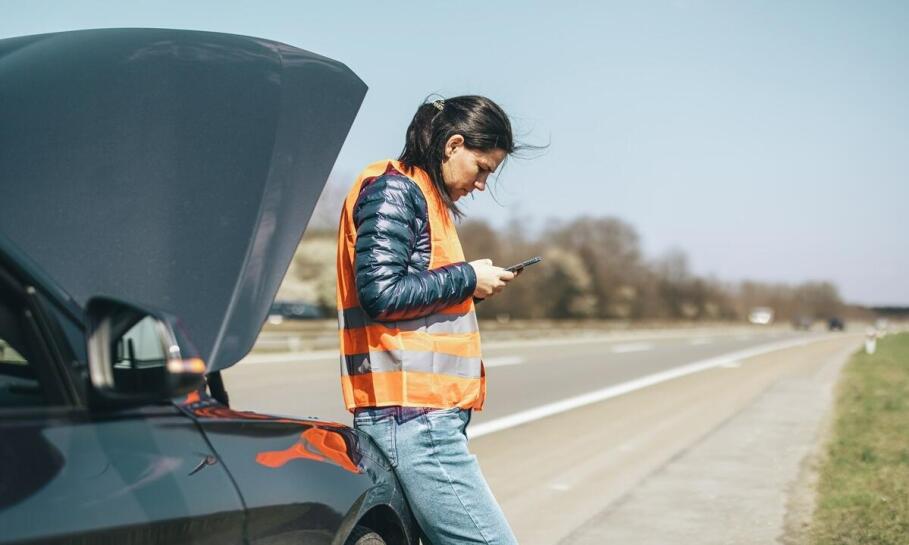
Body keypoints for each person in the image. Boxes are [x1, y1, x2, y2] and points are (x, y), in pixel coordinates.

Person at [335, 95, 521, 544]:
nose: (481, 185)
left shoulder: (421, 197)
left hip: (419, 415)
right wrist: (467, 277)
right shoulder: (395, 190)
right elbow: (381, 293)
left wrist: (471, 288)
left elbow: (412, 307)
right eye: (482, 168)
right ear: (453, 145)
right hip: (413, 417)